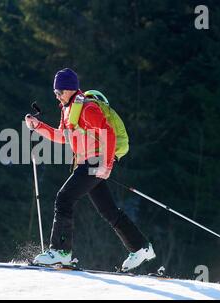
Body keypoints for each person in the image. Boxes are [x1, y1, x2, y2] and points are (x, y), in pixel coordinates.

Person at [24, 68, 155, 272]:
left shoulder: (87, 108)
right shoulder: (66, 109)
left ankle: (61, 252)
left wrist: (106, 164)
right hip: (86, 161)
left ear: (70, 89)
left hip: (95, 160)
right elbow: (62, 137)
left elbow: (109, 134)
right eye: (55, 91)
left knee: (64, 198)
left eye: (59, 91)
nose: (56, 95)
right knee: (107, 209)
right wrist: (38, 126)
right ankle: (141, 247)